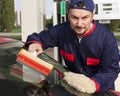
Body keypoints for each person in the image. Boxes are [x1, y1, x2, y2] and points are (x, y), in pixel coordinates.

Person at [23, 0, 120, 95]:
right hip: (73, 89)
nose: (79, 24)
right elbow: (38, 38)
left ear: (92, 16)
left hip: (101, 90)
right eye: (74, 18)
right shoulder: (61, 31)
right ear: (68, 15)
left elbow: (111, 70)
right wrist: (35, 43)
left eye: (85, 18)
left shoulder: (106, 38)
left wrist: (93, 84)